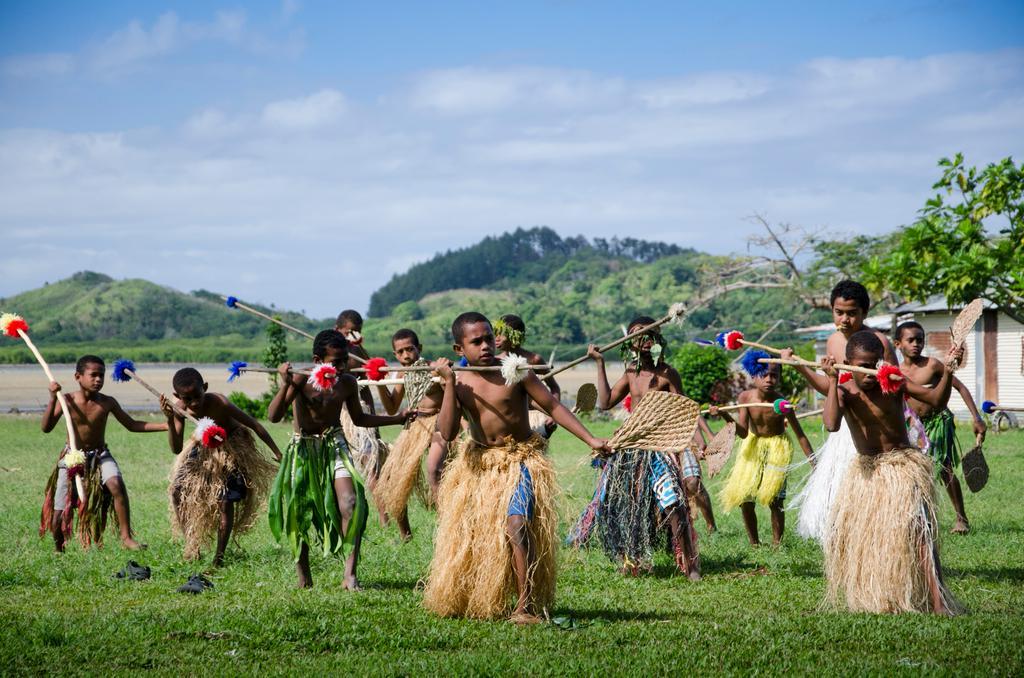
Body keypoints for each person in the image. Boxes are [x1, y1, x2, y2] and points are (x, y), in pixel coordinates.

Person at [423, 312, 608, 623]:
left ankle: (525, 607)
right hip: (480, 465)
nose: (486, 346)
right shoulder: (461, 382)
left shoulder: (517, 372)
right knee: (478, 536)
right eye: (476, 341)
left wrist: (590, 438)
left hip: (521, 459)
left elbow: (552, 406)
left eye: (488, 339)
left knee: (517, 524)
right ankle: (478, 595)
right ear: (459, 349)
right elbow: (446, 430)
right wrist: (449, 383)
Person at [821, 330, 962, 615]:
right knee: (872, 541)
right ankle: (883, 598)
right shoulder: (844, 392)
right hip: (869, 475)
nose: (870, 372)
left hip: (904, 469)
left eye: (875, 364)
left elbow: (936, 400)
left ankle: (938, 601)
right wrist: (833, 380)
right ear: (848, 363)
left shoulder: (893, 384)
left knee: (920, 532)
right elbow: (831, 424)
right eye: (862, 365)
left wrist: (947, 372)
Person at [267, 330, 415, 589]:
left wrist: (397, 418)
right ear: (317, 359)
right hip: (304, 448)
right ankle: (304, 575)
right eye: (334, 362)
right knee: (299, 510)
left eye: (343, 361)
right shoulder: (301, 380)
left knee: (351, 502)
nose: (339, 367)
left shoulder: (346, 382)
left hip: (335, 443)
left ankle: (350, 575)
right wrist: (287, 383)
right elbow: (273, 416)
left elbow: (359, 419)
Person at [785, 280, 903, 542]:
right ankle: (849, 539)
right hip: (845, 429)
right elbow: (830, 389)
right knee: (844, 491)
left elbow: (894, 389)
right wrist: (798, 367)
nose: (845, 319)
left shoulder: (880, 341)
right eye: (839, 312)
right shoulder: (833, 342)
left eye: (852, 313)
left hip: (876, 429)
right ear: (831, 310)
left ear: (864, 313)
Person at [585, 316, 701, 579]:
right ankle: (631, 562)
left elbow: (685, 408)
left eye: (649, 333)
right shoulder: (630, 374)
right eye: (637, 334)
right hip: (633, 448)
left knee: (674, 503)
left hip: (661, 446)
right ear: (630, 342)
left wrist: (697, 442)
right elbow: (604, 403)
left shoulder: (668, 373)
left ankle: (690, 564)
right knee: (627, 507)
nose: (644, 338)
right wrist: (600, 363)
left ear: (657, 339)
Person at [39, 355, 167, 551]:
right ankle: (59, 548)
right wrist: (51, 398)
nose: (98, 379)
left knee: (116, 485)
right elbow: (46, 428)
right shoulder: (66, 400)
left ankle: (126, 538)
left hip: (100, 455)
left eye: (102, 375)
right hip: (72, 456)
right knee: (59, 512)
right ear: (78, 377)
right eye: (93, 375)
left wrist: (166, 425)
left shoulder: (108, 402)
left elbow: (132, 425)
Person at [160, 367, 281, 566]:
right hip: (204, 446)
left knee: (225, 501)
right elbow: (176, 448)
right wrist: (170, 419)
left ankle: (219, 557)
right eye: (187, 399)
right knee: (177, 491)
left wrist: (277, 452)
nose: (194, 403)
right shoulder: (179, 408)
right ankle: (192, 545)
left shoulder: (220, 402)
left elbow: (255, 425)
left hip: (232, 447)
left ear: (205, 388)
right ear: (177, 396)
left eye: (197, 396)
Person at [894, 321, 986, 534]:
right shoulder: (896, 372)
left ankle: (961, 518)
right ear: (898, 344)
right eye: (911, 340)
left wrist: (976, 417)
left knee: (944, 468)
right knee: (914, 470)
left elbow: (960, 388)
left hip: (938, 421)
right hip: (914, 425)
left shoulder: (932, 365)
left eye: (920, 339)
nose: (916, 344)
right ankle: (915, 516)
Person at [709, 361, 814, 546]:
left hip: (777, 448)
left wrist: (814, 462)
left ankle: (776, 544)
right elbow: (742, 432)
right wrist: (725, 415)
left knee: (775, 500)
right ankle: (754, 543)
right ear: (753, 376)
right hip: (753, 445)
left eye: (774, 375)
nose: (769, 379)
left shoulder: (782, 404)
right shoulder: (746, 397)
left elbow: (800, 434)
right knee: (746, 498)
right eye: (764, 375)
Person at [373, 328, 447, 541]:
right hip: (414, 425)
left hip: (438, 423)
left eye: (410, 349)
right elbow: (391, 407)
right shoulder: (400, 374)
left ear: (419, 348)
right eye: (400, 352)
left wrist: (442, 374)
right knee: (392, 478)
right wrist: (379, 381)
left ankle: (445, 526)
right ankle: (405, 533)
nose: (406, 355)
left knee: (436, 472)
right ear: (395, 354)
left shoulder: (433, 368)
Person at [335, 309, 389, 524]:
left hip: (362, 411)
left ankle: (384, 517)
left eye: (357, 331)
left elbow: (370, 373)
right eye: (349, 331)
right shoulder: (332, 352)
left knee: (371, 463)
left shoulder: (359, 353)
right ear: (337, 329)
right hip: (341, 414)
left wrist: (358, 349)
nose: (353, 335)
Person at [494, 314, 561, 438]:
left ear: (515, 336)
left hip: (534, 421)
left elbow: (554, 388)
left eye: (501, 334)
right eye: (496, 333)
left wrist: (553, 416)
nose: (496, 338)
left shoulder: (534, 360)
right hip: (506, 420)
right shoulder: (495, 362)